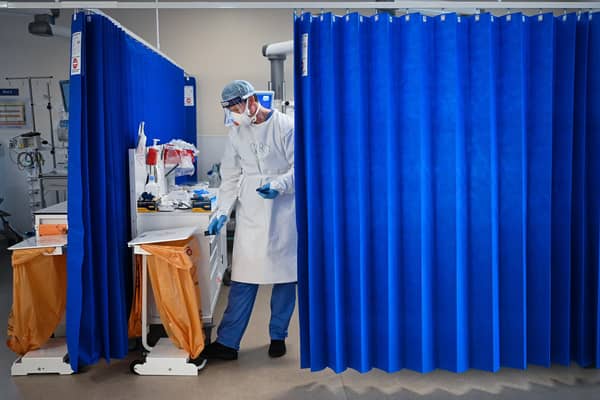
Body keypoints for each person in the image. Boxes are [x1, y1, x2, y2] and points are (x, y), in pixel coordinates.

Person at [201, 80, 297, 361]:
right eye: (230, 108)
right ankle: (228, 342)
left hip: (283, 210)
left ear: (252, 100)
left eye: (236, 106)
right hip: (252, 211)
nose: (234, 113)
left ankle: (278, 336)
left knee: (284, 278)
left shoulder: (286, 126)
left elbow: (300, 168)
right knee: (243, 278)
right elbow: (230, 176)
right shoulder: (236, 133)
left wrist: (279, 185)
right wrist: (221, 212)